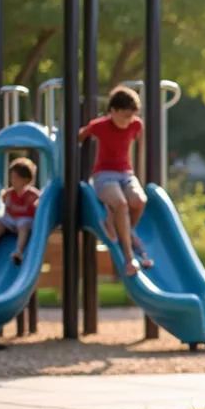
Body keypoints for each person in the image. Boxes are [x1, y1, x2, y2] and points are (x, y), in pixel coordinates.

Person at [77, 86, 152, 276]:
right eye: (124, 116)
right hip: (104, 175)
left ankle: (122, 231)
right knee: (120, 203)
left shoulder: (136, 125)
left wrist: (139, 176)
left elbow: (139, 149)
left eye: (131, 116)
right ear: (113, 111)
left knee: (139, 200)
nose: (128, 121)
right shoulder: (100, 125)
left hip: (126, 173)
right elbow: (80, 135)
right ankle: (128, 257)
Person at [0, 158, 40, 265]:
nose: (13, 180)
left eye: (16, 178)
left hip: (24, 221)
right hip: (11, 221)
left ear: (26, 180)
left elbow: (39, 207)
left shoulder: (32, 195)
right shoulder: (9, 194)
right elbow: (3, 206)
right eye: (12, 177)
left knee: (24, 223)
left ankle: (19, 252)